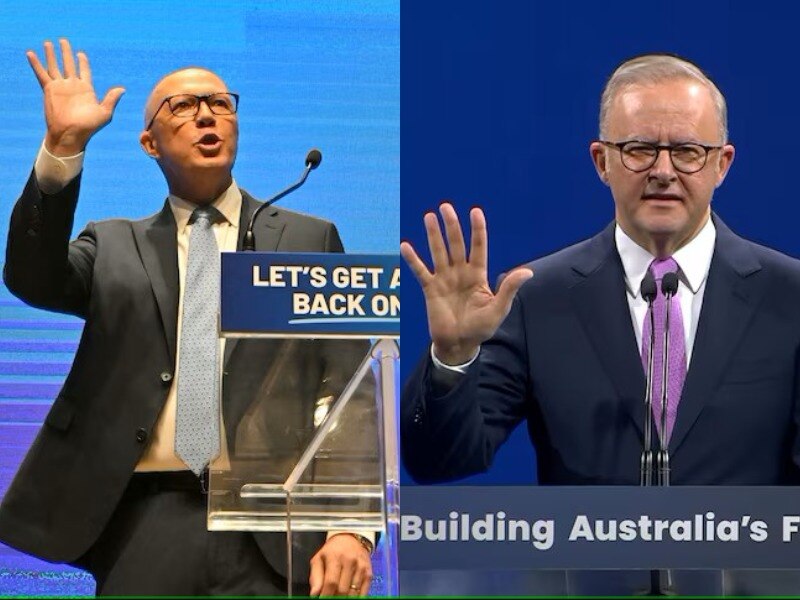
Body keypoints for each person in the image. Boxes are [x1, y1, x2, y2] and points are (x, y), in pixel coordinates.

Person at [400, 53, 800, 592]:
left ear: (722, 164)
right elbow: (439, 460)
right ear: (601, 161)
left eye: (686, 151)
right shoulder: (539, 298)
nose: (663, 171)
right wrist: (452, 357)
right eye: (638, 149)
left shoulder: (789, 297)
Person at [0, 38, 374, 597]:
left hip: (271, 528)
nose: (206, 114)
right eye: (182, 105)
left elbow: (349, 387)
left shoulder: (305, 239)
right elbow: (32, 277)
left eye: (221, 103)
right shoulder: (113, 244)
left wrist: (350, 525)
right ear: (149, 142)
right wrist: (61, 149)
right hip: (146, 522)